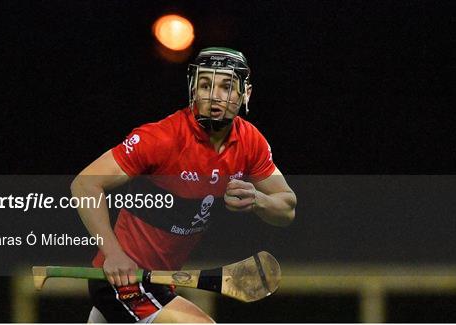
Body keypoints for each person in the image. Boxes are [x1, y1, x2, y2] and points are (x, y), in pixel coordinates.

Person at [71, 47, 297, 323]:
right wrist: (114, 254)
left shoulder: (250, 143)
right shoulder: (162, 139)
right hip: (123, 281)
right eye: (205, 84)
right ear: (193, 90)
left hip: (160, 284)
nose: (215, 96)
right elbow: (84, 185)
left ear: (245, 93)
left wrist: (258, 200)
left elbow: (286, 207)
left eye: (227, 86)